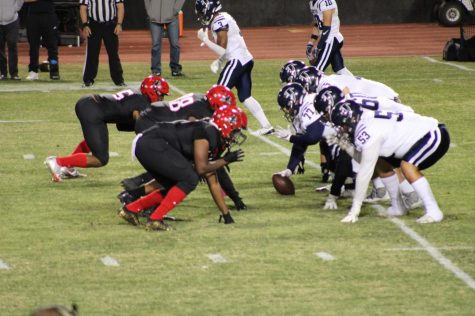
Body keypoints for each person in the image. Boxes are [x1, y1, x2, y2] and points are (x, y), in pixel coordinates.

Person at [119, 105, 247, 231]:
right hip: (151, 143)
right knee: (190, 179)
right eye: (236, 130)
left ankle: (131, 209)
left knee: (174, 185)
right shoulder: (207, 132)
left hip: (150, 143)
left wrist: (226, 215)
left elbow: (213, 181)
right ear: (226, 125)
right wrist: (225, 160)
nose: (236, 135)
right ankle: (155, 219)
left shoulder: (214, 136)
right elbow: (201, 169)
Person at [328, 100, 450, 224]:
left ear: (351, 120)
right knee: (380, 163)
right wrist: (345, 144)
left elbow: (365, 171)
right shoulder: (365, 118)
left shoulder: (368, 131)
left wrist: (355, 209)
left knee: (407, 166)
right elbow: (365, 159)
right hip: (417, 136)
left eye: (342, 126)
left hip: (432, 134)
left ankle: (434, 211)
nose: (342, 129)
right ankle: (398, 207)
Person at [44, 75, 169, 182]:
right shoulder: (142, 103)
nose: (162, 99)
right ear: (152, 92)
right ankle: (57, 162)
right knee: (100, 159)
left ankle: (68, 167)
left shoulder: (136, 94)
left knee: (97, 139)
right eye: (161, 95)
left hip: (90, 104)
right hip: (92, 110)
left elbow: (121, 124)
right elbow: (142, 128)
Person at [195, 0, 274, 136]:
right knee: (245, 96)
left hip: (237, 61)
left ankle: (215, 129)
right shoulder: (223, 16)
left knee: (217, 95)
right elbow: (228, 45)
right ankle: (266, 126)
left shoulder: (219, 21)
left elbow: (222, 49)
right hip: (245, 59)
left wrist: (205, 40)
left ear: (209, 9)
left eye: (202, 12)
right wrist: (219, 61)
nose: (202, 15)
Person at [273, 82, 336, 180]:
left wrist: (289, 137)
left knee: (332, 145)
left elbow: (312, 138)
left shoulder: (308, 109)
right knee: (327, 142)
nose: (286, 111)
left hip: (349, 134)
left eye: (286, 107)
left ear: (293, 101)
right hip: (338, 134)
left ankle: (348, 182)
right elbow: (300, 144)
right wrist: (290, 169)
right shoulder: (301, 110)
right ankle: (341, 183)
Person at [79, 0, 125, 87]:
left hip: (110, 25)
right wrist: (85, 25)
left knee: (113, 53)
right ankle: (88, 79)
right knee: (92, 53)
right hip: (94, 25)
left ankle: (119, 80)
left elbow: (120, 6)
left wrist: (119, 24)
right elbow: (83, 7)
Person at [306, 0, 352, 76]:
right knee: (340, 69)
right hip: (327, 40)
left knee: (317, 71)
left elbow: (327, 28)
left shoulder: (326, 2)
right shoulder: (313, 2)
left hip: (331, 39)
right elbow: (318, 24)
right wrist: (310, 43)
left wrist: (318, 47)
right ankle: (357, 85)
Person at [144, 0, 184, 77]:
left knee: (175, 44)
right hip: (154, 18)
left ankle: (175, 70)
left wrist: (175, 10)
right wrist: (150, 11)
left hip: (172, 18)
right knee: (156, 45)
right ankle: (156, 70)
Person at [23, 0, 60, 80]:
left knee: (52, 45)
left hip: (48, 14)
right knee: (33, 45)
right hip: (33, 15)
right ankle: (33, 71)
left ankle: (54, 71)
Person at [0, 0, 24, 80]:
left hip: (12, 20)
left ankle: (14, 73)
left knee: (12, 46)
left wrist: (15, 9)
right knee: (0, 48)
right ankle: (3, 73)